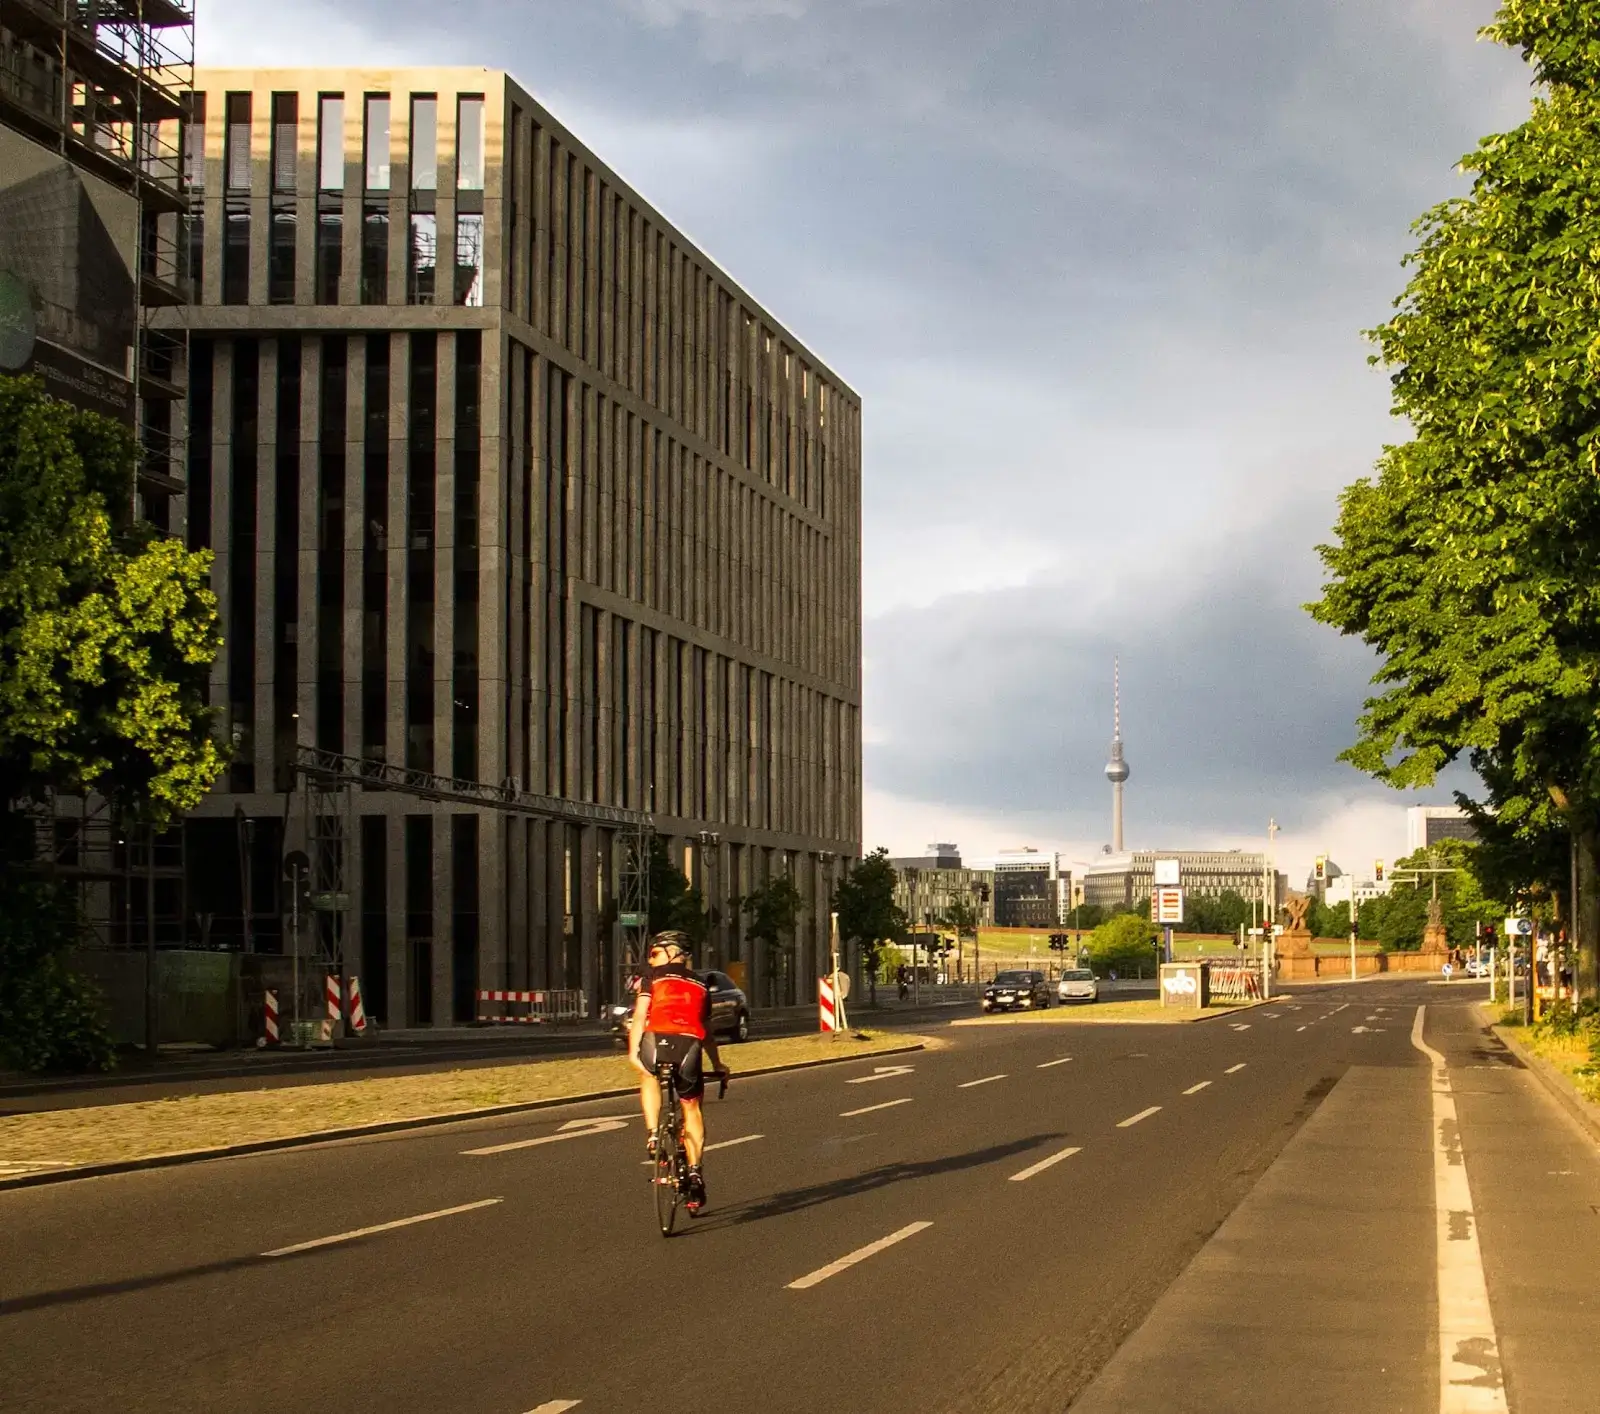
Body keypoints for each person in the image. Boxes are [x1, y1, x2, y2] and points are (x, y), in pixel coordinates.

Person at [627, 930, 725, 1214]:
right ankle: (694, 1171)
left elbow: (639, 1015)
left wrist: (633, 1052)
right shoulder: (702, 984)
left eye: (655, 954)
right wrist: (718, 1065)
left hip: (655, 1040)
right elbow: (707, 1034)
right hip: (689, 1045)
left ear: (672, 953)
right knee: (692, 1107)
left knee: (647, 1075)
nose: (651, 959)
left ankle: (653, 1134)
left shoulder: (652, 979)